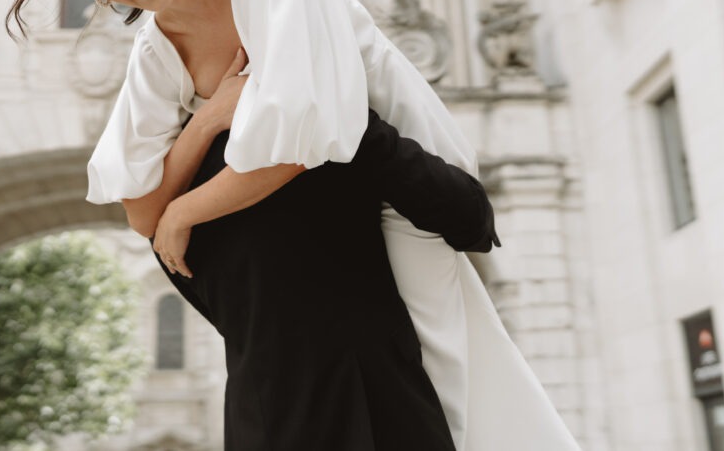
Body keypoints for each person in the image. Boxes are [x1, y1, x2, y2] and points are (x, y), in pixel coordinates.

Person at [8, 0, 580, 450]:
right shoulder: (155, 50)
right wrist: (204, 122)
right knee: (289, 362)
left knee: (449, 374)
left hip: (398, 189)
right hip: (294, 241)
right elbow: (139, 209)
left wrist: (184, 213)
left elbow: (300, 143)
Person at [156, 103, 495, 450]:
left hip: (266, 414)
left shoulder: (173, 193)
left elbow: (202, 290)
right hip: (380, 402)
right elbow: (470, 218)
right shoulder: (333, 116)